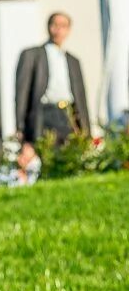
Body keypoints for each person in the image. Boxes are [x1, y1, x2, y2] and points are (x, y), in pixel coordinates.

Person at [15, 12, 91, 175]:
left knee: (68, 156)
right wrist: (20, 125)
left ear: (68, 30)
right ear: (48, 27)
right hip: (44, 113)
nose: (58, 30)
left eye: (63, 26)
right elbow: (21, 92)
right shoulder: (32, 55)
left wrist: (85, 129)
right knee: (45, 155)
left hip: (66, 114)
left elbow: (81, 97)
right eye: (55, 25)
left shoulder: (73, 61)